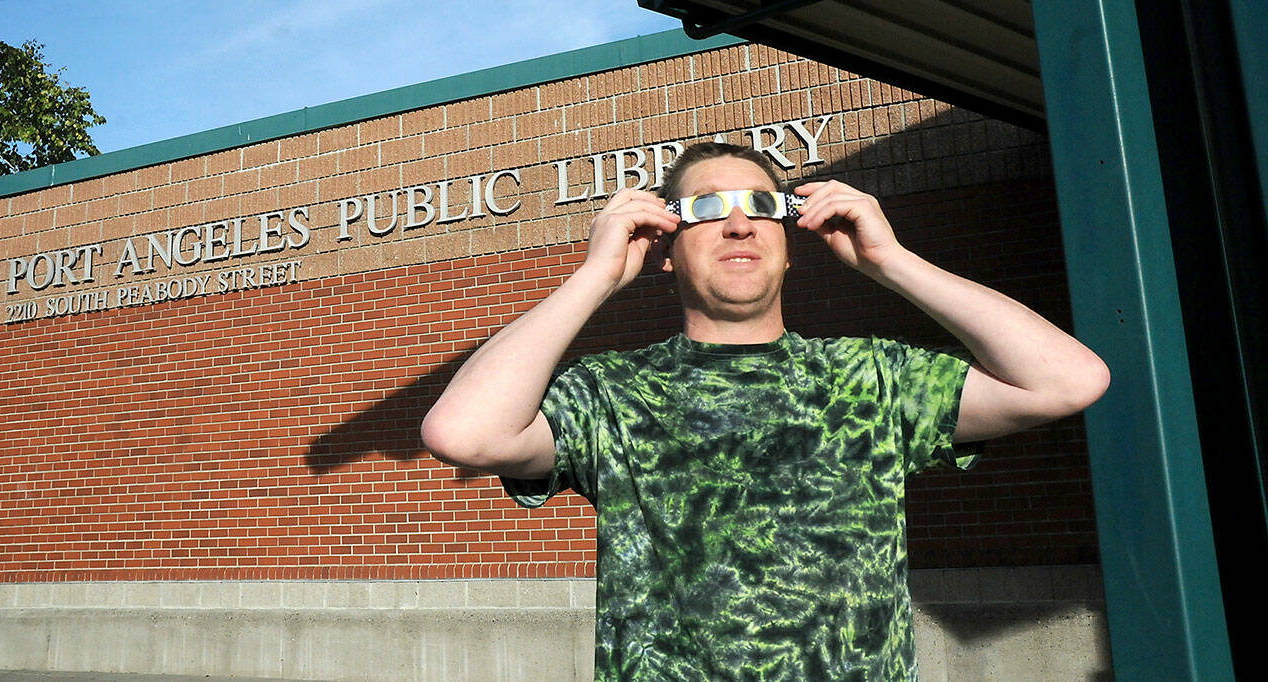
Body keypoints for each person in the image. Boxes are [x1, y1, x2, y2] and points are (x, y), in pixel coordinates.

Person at [421, 141, 1110, 681]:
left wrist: (890, 260)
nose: (739, 223)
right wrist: (594, 275)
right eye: (706, 210)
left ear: (788, 243)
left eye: (759, 205)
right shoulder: (611, 394)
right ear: (665, 249)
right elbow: (463, 432)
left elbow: (1068, 380)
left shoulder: (871, 377)